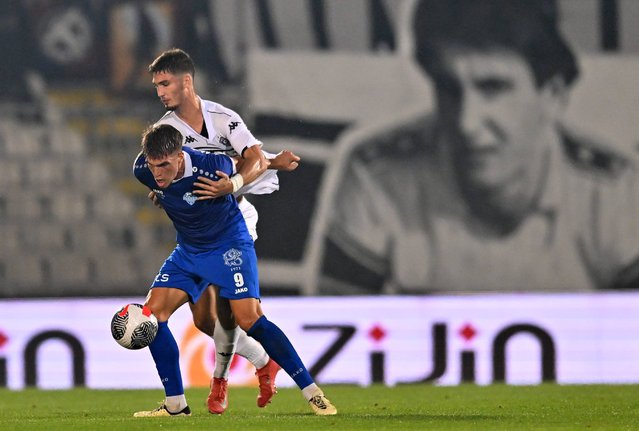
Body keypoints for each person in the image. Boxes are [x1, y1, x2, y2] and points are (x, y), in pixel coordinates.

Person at [320, 0, 639, 294]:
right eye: (449, 87)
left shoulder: (619, 191)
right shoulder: (376, 176)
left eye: (493, 88)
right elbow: (325, 340)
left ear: (553, 95)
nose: (466, 123)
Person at [131, 124, 336, 416]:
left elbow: (250, 162)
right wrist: (162, 193)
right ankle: (175, 403)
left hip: (229, 247)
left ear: (180, 155)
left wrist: (264, 166)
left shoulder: (210, 165)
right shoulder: (143, 170)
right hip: (189, 251)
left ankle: (312, 392)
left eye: (164, 165)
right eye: (153, 166)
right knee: (152, 317)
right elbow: (167, 189)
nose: (157, 173)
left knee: (250, 319)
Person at [147, 48, 301, 414]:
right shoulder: (165, 131)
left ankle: (219, 383)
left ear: (186, 81)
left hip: (234, 218)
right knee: (204, 320)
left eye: (165, 83)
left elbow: (251, 158)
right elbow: (175, 172)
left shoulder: (224, 118)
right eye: (156, 86)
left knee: (235, 310)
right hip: (199, 226)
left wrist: (245, 176)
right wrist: (162, 189)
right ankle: (263, 361)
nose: (160, 92)